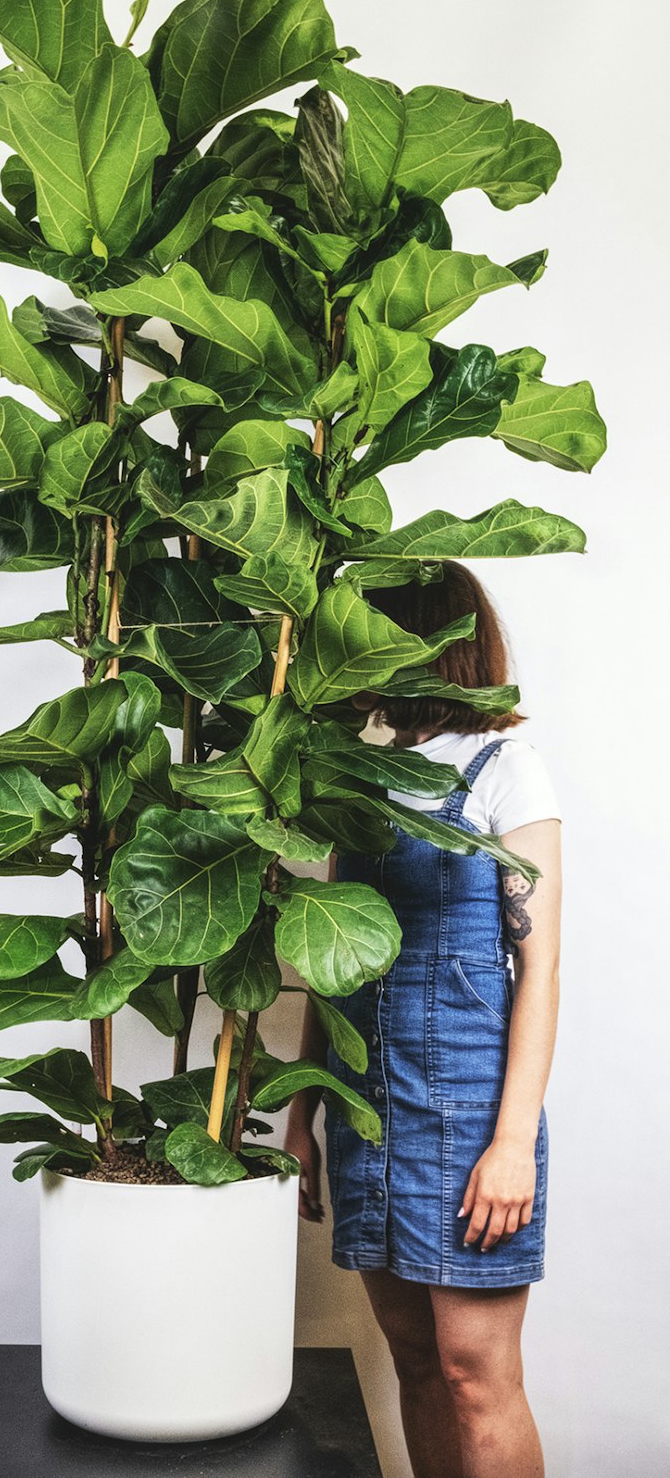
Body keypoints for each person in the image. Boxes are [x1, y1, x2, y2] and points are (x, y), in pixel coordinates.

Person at [284, 560, 562, 1478]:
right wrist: (303, 1114)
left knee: (476, 1374)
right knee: (414, 1361)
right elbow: (334, 956)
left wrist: (512, 1142)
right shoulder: (358, 776)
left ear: (430, 642)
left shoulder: (506, 771)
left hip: (472, 1111)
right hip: (366, 1105)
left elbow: (541, 968)